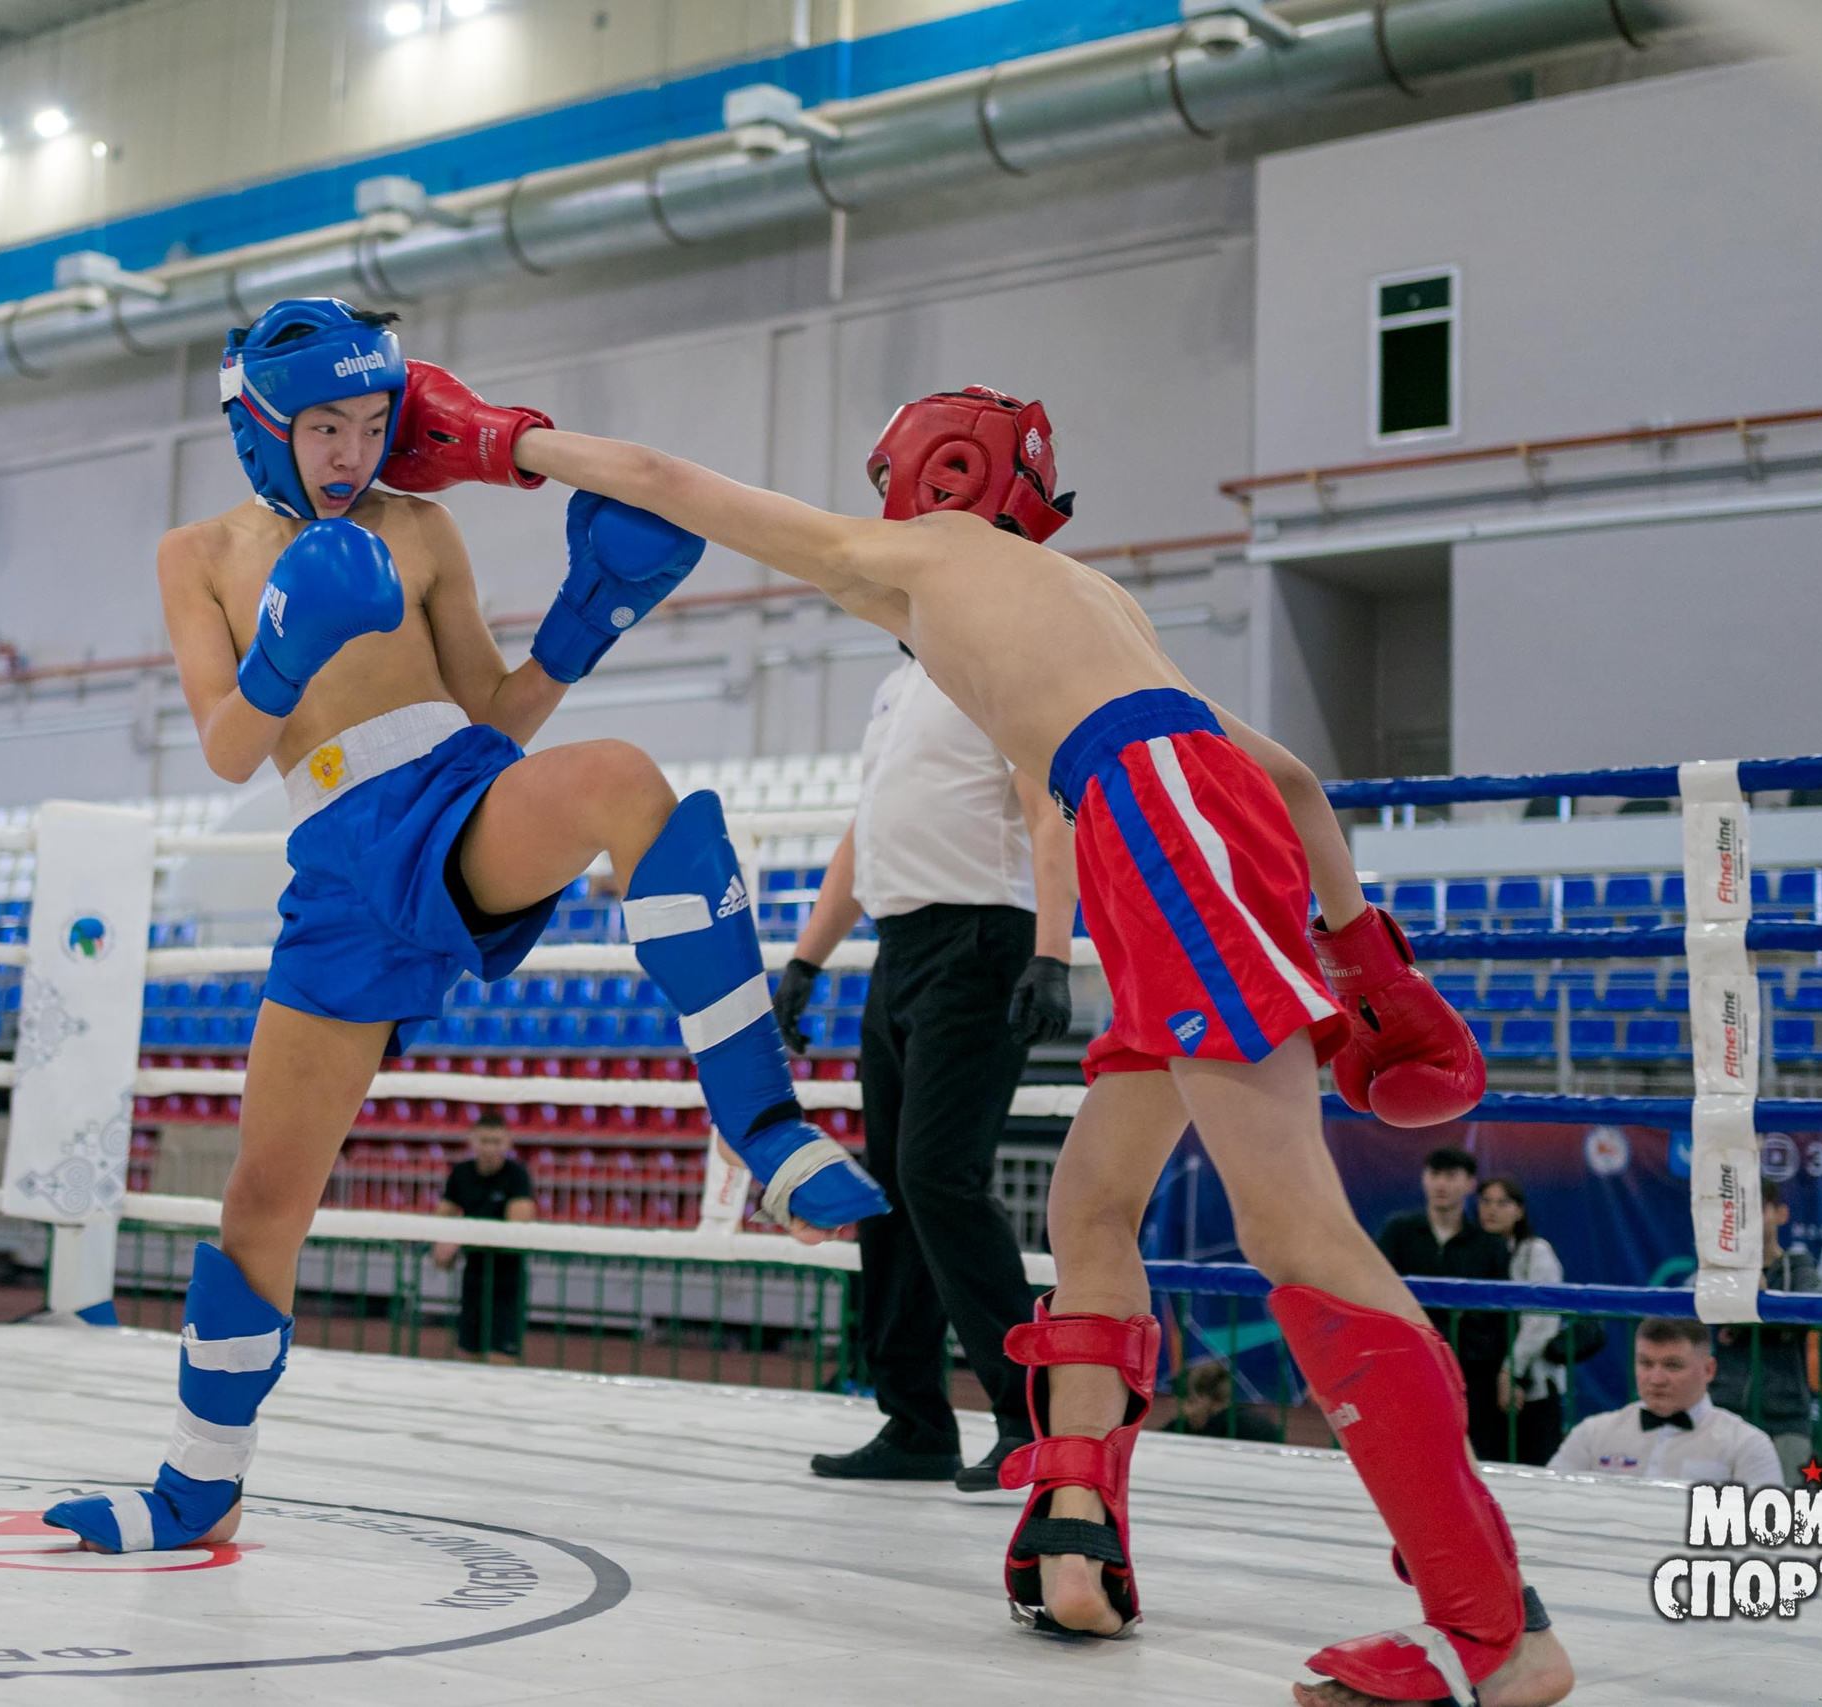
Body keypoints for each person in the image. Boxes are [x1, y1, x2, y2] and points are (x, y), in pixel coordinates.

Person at [509, 388, 1569, 1707]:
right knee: (1092, 1201)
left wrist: (499, 435)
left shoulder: (944, 555)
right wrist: (1362, 960)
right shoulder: (1081, 604)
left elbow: (668, 472)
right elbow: (1291, 776)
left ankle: (1489, 1622)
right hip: (1166, 826)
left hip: (1155, 824)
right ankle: (1077, 1534)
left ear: (937, 475)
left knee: (1294, 1227)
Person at [41, 300, 889, 1559]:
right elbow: (227, 747)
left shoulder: (422, 527)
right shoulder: (198, 554)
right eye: (323, 426)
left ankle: (762, 1125)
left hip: (451, 799)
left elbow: (498, 709)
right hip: (336, 863)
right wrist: (285, 646)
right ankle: (196, 1486)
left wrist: (585, 617)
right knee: (260, 1209)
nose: (348, 451)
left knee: (624, 781)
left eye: (371, 424)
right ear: (258, 427)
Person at [781, 648, 1079, 1492]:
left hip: (984, 936)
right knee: (895, 1185)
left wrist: (1053, 953)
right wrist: (807, 960)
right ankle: (913, 1419)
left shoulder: (994, 668)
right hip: (900, 947)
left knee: (938, 1173)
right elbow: (864, 829)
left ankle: (1033, 1416)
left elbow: (1047, 810)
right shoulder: (894, 686)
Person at [1374, 1149, 1515, 1463]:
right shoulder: (1398, 1232)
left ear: (1469, 1184)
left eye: (1450, 1176)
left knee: (1470, 1460)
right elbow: (1376, 1293)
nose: (1441, 1184)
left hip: (1472, 1376)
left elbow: (1502, 1318)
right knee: (1400, 1456)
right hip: (1406, 1366)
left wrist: (1499, 1368)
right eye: (1434, 1174)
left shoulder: (1489, 1245)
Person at [1550, 1318, 1783, 1486]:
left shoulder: (1746, 1445)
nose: (1656, 1379)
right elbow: (1550, 1500)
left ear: (1708, 1370)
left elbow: (1761, 1535)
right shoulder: (1592, 1434)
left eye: (1673, 1365)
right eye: (1646, 1364)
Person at [1706, 1180, 1822, 1483]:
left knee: (1787, 1514)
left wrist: (1762, 1300)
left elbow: (1809, 1310)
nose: (1747, 1221)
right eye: (1740, 1212)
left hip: (1785, 1416)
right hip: (1725, 1409)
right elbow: (1698, 1312)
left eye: (1757, 1210)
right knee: (1717, 1509)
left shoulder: (1797, 1266)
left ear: (1781, 1214)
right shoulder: (1718, 1267)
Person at [1476, 1176, 1566, 1467]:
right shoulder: (1475, 1251)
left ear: (1519, 1210)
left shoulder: (1535, 1252)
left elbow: (1540, 1321)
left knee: (1535, 1468)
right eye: (1486, 1202)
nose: (1492, 1210)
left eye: (1503, 1203)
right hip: (1484, 1386)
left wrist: (1511, 1371)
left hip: (1534, 1386)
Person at [432, 1117, 537, 1364]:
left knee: (502, 1356)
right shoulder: (461, 1173)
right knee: (468, 1352)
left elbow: (516, 1228)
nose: (490, 1148)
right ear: (473, 1141)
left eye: (496, 1141)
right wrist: (442, 1242)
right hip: (474, 1273)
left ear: (508, 1142)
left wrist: (462, 1235)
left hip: (507, 1276)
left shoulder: (517, 1175)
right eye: (485, 1141)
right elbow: (441, 1218)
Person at [1160, 1358, 1283, 1443]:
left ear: (1205, 1399)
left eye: (1188, 1400)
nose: (1180, 1408)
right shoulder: (1182, 1427)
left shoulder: (1244, 1429)